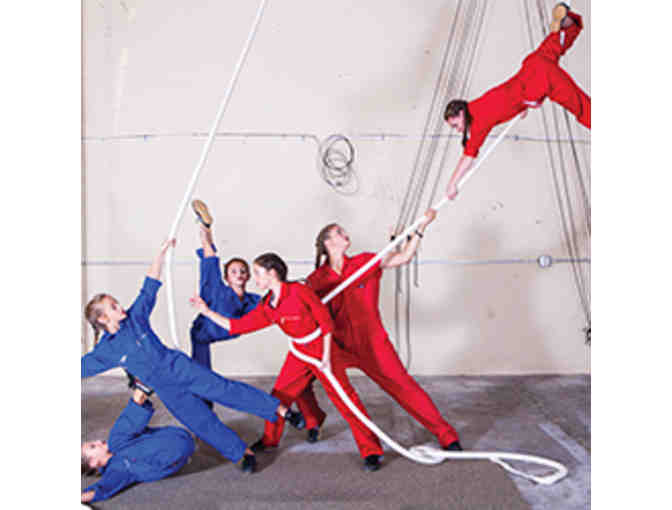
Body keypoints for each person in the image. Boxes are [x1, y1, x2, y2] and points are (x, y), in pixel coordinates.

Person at [82, 239, 305, 475]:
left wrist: (161, 253)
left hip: (181, 367)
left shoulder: (136, 315)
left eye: (117, 303)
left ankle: (281, 410)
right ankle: (241, 454)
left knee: (224, 390)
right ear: (104, 319)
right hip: (166, 389)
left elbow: (150, 285)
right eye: (113, 307)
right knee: (200, 421)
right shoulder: (105, 352)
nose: (120, 307)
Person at [190, 253, 386, 472]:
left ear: (272, 273)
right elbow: (237, 326)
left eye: (257, 273)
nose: (254, 279)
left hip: (322, 351)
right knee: (279, 397)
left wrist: (326, 357)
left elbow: (326, 323)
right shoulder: (268, 305)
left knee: (346, 400)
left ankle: (371, 451)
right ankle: (270, 440)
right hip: (300, 353)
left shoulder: (300, 291)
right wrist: (206, 311)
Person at [298, 209, 462, 453]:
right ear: (328, 242)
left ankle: (446, 435)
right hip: (338, 346)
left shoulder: (364, 262)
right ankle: (342, 435)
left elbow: (403, 257)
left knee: (405, 387)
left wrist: (420, 228)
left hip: (373, 344)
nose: (345, 233)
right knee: (301, 380)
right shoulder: (316, 280)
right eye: (338, 232)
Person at [443, 3, 589, 200]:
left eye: (455, 125)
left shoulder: (478, 121)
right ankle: (565, 21)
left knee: (581, 107)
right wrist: (521, 106)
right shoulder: (478, 103)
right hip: (531, 65)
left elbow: (468, 156)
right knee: (562, 38)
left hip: (539, 82)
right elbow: (505, 100)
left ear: (461, 113)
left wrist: (452, 183)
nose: (458, 130)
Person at [189, 200, 262, 408]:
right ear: (227, 277)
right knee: (209, 259)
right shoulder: (218, 290)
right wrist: (205, 228)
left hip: (227, 329)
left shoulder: (252, 300)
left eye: (242, 271)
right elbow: (210, 258)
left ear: (248, 276)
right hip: (204, 332)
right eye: (233, 271)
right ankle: (205, 226)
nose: (239, 274)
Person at [81, 388, 194, 503]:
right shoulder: (115, 471)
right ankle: (141, 390)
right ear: (93, 462)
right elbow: (102, 490)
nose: (99, 441)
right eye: (93, 446)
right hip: (178, 453)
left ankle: (140, 394)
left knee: (120, 439)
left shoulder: (118, 448)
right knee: (117, 440)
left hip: (177, 442)